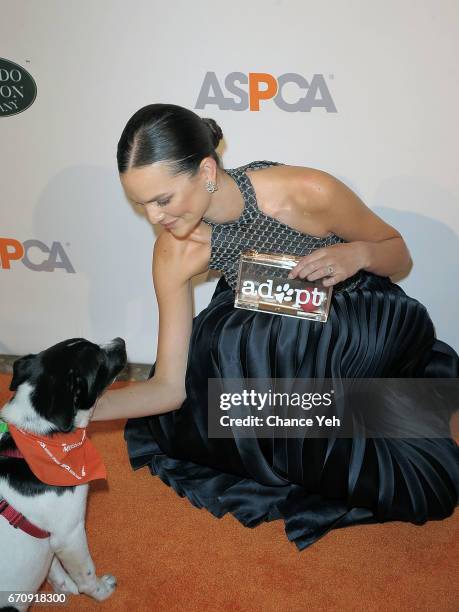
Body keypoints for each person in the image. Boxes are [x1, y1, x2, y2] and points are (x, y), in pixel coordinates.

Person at [92, 103, 459, 550]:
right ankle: (323, 422)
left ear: (206, 170)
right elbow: (170, 387)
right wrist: (83, 411)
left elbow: (397, 252)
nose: (153, 218)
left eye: (162, 200)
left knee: (269, 350)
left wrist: (355, 255)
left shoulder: (306, 192)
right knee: (225, 348)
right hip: (281, 327)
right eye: (140, 204)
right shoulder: (174, 253)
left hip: (354, 314)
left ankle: (344, 411)